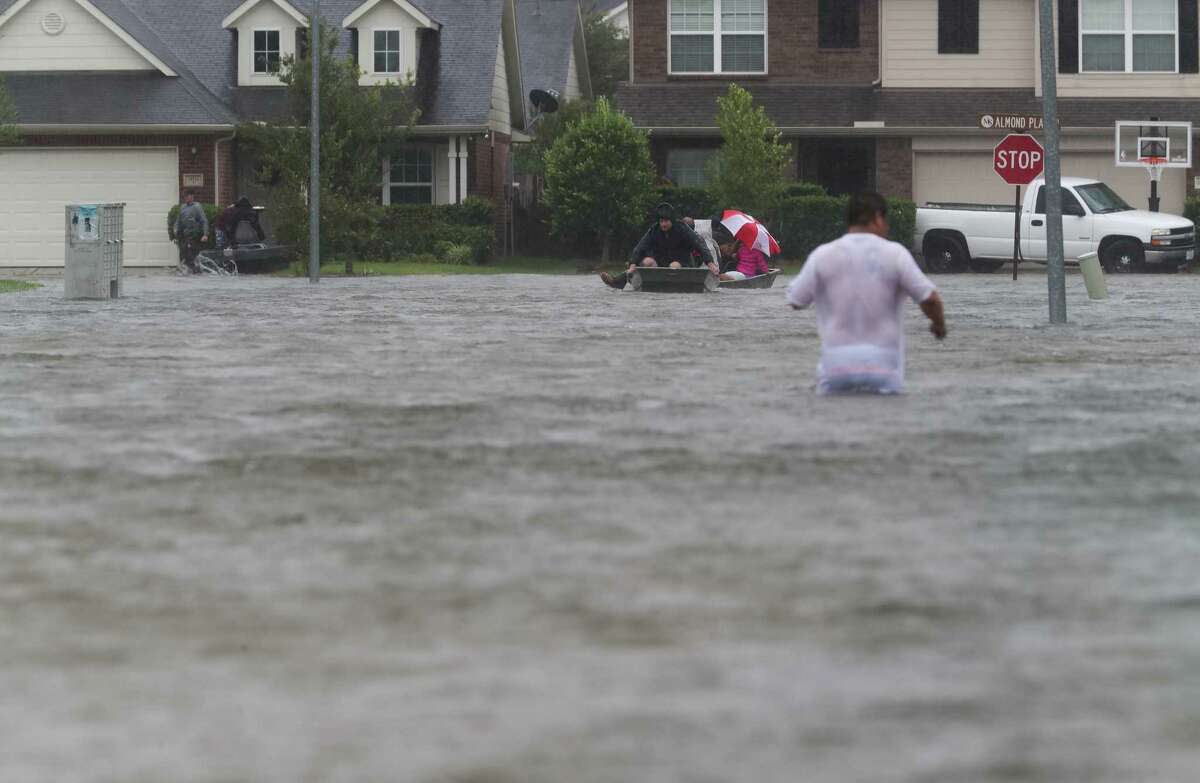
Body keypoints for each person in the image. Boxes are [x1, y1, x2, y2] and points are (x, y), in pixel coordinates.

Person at [786, 192, 947, 395]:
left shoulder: (822, 254)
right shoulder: (895, 254)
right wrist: (938, 325)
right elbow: (930, 299)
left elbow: (796, 300)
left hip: (835, 367)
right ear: (877, 218)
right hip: (884, 367)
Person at [600, 202, 717, 289]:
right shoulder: (654, 230)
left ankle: (670, 286)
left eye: (666, 221)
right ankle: (617, 282)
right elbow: (640, 247)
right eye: (661, 221)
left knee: (674, 265)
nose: (663, 224)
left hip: (682, 262)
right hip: (660, 261)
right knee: (647, 262)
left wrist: (710, 263)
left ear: (672, 220)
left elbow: (699, 244)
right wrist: (632, 264)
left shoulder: (682, 228)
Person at [173, 189, 209, 273]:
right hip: (185, 237)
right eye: (184, 196)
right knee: (183, 257)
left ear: (192, 196)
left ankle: (196, 274)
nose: (185, 198)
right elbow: (178, 221)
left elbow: (204, 221)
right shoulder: (183, 207)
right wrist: (175, 229)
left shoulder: (197, 207)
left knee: (192, 257)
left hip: (194, 237)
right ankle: (186, 276)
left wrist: (205, 234)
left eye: (186, 196)